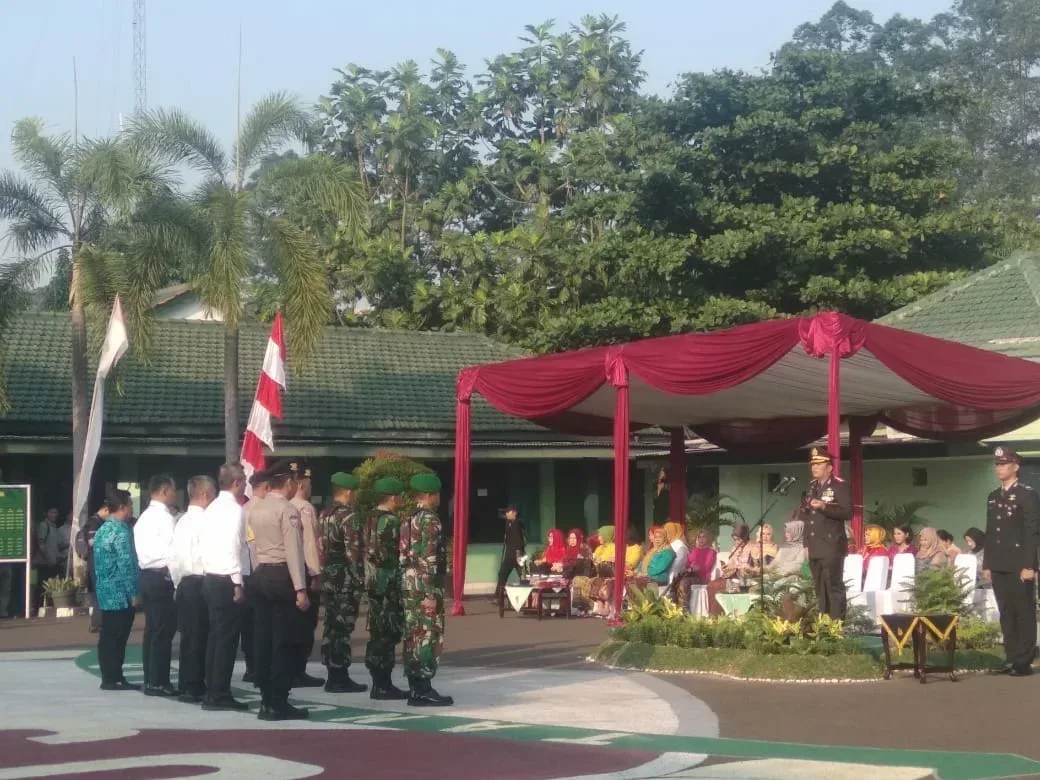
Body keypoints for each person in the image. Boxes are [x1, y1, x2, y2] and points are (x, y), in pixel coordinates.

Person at [249, 459, 310, 720]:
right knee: (284, 640)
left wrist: (256, 571)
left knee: (263, 638)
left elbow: (250, 545)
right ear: (287, 482)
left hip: (260, 572)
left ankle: (265, 697)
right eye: (294, 481)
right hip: (281, 575)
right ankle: (279, 700)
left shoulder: (254, 509)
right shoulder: (287, 510)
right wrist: (300, 588)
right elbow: (294, 550)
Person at [984, 447, 1040, 677]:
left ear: (1015, 467)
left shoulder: (1027, 495)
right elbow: (990, 532)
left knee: (1023, 611)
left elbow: (1032, 532)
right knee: (1005, 611)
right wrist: (987, 564)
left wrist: (1030, 565)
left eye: (1003, 464)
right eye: (997, 464)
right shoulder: (993, 496)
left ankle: (1023, 661)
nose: (999, 468)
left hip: (1019, 564)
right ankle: (1010, 657)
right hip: (999, 563)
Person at [400, 473, 453, 706]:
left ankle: (414, 686)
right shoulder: (430, 520)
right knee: (428, 635)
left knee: (413, 634)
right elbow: (431, 556)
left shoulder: (407, 518)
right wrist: (431, 592)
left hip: (410, 584)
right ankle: (423, 688)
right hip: (426, 585)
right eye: (438, 494)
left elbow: (402, 553)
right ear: (431, 495)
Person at [201, 463, 250, 711]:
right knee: (226, 640)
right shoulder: (234, 510)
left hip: (210, 576)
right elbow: (233, 546)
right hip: (226, 579)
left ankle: (213, 690)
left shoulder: (211, 508)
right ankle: (220, 692)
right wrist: (238, 583)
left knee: (216, 637)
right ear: (237, 482)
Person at [318, 471, 367, 694]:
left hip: (329, 573)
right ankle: (339, 676)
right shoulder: (350, 516)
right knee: (343, 626)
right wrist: (359, 579)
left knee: (330, 624)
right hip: (345, 577)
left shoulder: (325, 514)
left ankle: (332, 671)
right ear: (348, 492)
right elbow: (353, 551)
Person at [171, 476, 216, 704]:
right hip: (201, 580)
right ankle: (195, 684)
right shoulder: (207, 521)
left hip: (184, 583)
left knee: (189, 636)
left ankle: (187, 683)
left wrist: (178, 583)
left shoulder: (181, 521)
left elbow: (173, 559)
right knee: (202, 636)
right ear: (206, 495)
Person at [134, 475, 179, 696]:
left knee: (152, 630)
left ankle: (150, 678)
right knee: (163, 631)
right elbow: (172, 551)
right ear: (163, 491)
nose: (175, 494)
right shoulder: (164, 518)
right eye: (172, 490)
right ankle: (159, 680)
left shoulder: (143, 517)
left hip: (146, 575)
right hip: (161, 576)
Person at [365, 477, 409, 699]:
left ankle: (377, 681)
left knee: (376, 631)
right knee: (388, 633)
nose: (401, 499)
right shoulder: (392, 521)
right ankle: (384, 684)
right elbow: (397, 552)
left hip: (373, 582)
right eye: (400, 495)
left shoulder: (370, 518)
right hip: (388, 582)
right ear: (393, 498)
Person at [93, 490, 140, 691]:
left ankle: (109, 675)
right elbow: (126, 564)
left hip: (104, 590)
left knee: (107, 636)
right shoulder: (121, 531)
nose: (131, 509)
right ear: (122, 507)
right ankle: (114, 677)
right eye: (129, 505)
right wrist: (134, 592)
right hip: (120, 592)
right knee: (118, 637)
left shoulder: (103, 529)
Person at [802, 448, 851, 620]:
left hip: (831, 545)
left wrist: (824, 506)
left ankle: (837, 626)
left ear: (829, 467)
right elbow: (808, 519)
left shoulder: (839, 485)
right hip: (815, 546)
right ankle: (824, 624)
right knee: (820, 588)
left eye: (818, 464)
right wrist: (806, 544)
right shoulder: (812, 487)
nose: (814, 467)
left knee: (833, 586)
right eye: (812, 464)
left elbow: (847, 512)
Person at [289, 460, 324, 687]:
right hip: (305, 570)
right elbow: (311, 544)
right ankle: (298, 671)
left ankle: (290, 668)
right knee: (305, 624)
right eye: (308, 484)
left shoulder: (287, 505)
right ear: (302, 484)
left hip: (289, 573)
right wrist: (316, 573)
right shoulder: (306, 508)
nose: (310, 489)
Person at [240, 470, 269, 684]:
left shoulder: (244, 509)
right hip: (261, 571)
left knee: (248, 625)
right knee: (262, 625)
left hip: (246, 573)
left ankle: (251, 667)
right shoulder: (262, 509)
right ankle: (258, 668)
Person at [76, 502, 109, 633]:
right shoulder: (95, 523)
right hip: (96, 562)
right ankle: (98, 623)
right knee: (98, 593)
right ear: (105, 510)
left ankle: (97, 622)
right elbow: (93, 543)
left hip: (92, 562)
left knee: (97, 593)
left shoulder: (92, 522)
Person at [707, 524, 753, 616]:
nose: (736, 542)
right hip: (732, 575)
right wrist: (726, 567)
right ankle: (716, 617)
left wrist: (738, 567)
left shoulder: (753, 547)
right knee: (712, 585)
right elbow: (730, 564)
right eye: (734, 540)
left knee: (720, 585)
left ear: (745, 537)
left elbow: (752, 566)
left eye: (738, 539)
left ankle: (731, 615)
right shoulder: (734, 548)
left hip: (745, 577)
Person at [493, 506, 527, 603]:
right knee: (503, 574)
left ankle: (527, 597)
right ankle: (498, 597)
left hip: (517, 555)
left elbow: (519, 541)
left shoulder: (517, 523)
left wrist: (518, 555)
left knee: (523, 576)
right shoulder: (509, 523)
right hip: (510, 554)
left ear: (514, 513)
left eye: (508, 512)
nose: (506, 514)